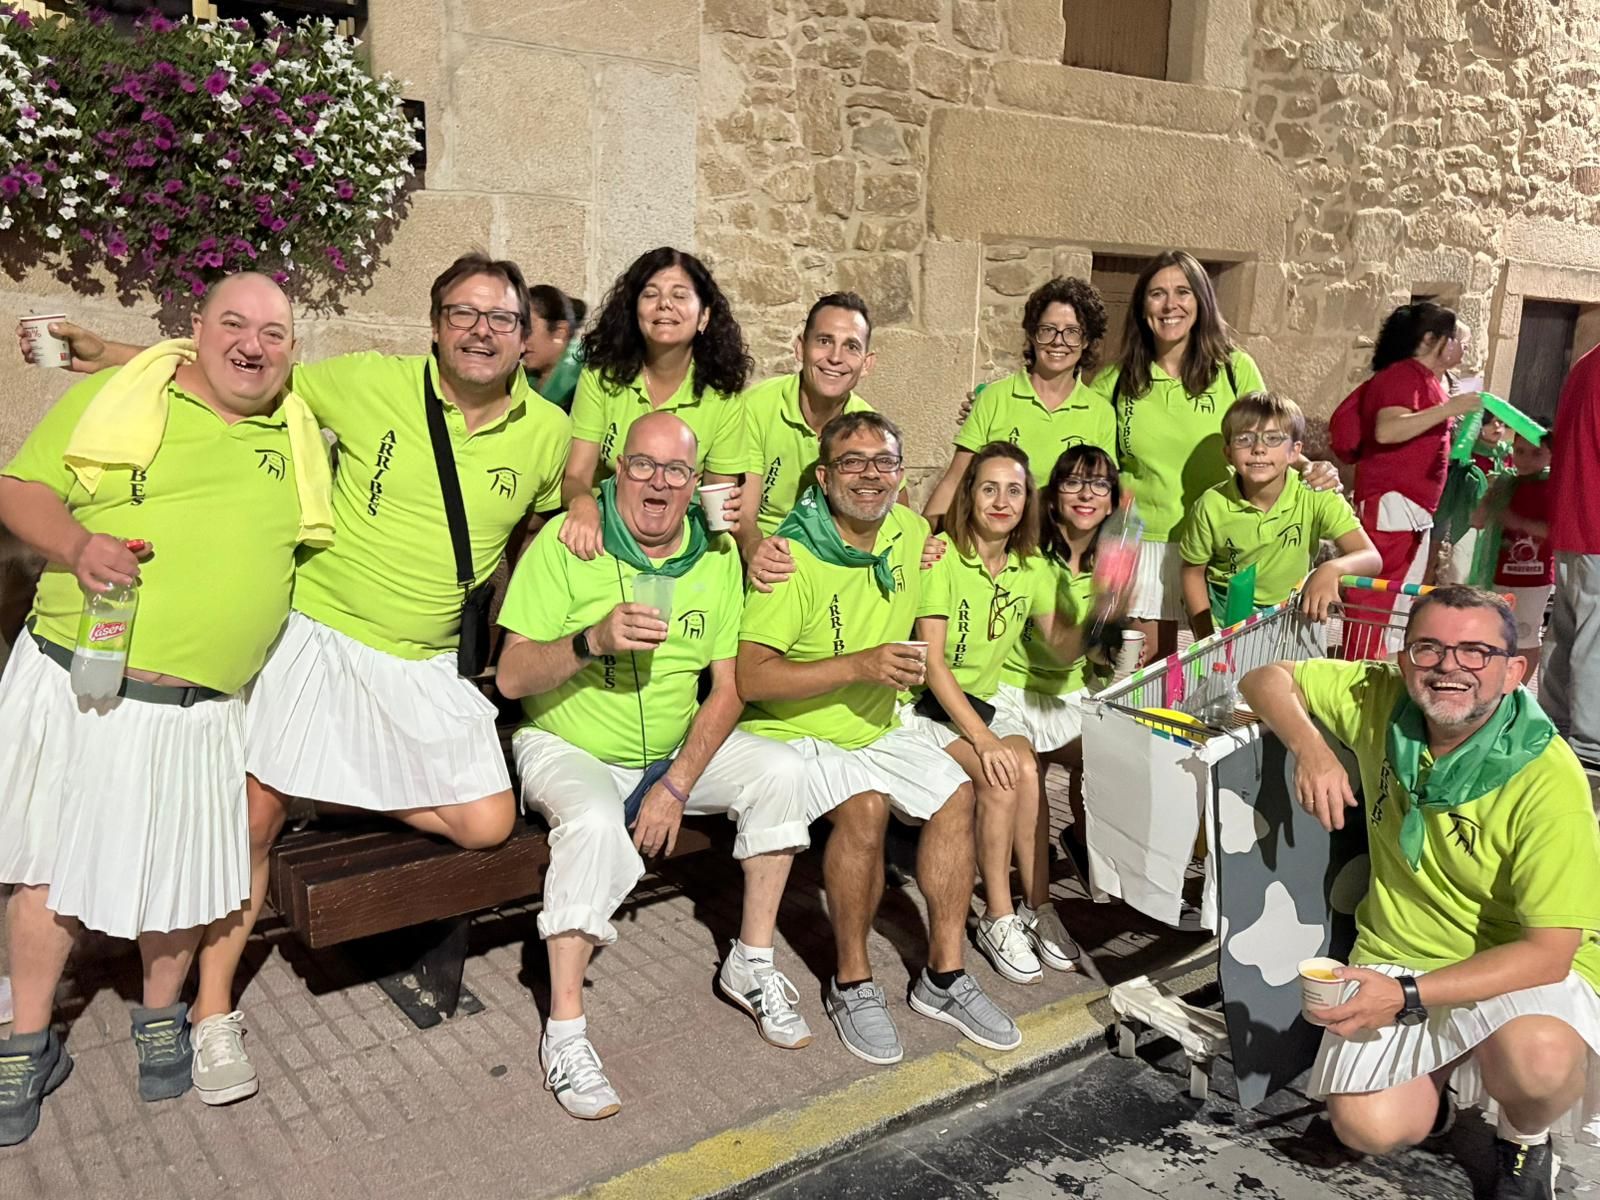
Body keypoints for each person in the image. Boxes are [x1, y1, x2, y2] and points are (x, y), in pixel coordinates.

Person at [42, 253, 573, 1105]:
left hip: (425, 657)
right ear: (435, 325)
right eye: (463, 313)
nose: (481, 329)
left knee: (486, 823)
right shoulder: (366, 382)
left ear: (526, 338)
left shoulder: (546, 433)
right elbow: (239, 368)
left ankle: (325, 783)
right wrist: (113, 353)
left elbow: (561, 502)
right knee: (253, 817)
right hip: (322, 633)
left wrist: (581, 507)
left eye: (500, 318)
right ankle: (213, 1013)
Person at [0, 273, 332, 1143]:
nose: (253, 345)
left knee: (179, 878)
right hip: (82, 684)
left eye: (275, 332)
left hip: (201, 707)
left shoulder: (291, 428)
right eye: (234, 323)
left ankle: (159, 1018)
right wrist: (78, 544)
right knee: (45, 872)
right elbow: (20, 488)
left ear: (293, 351)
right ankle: (27, 1043)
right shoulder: (128, 398)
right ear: (197, 330)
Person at [496, 412, 812, 1121]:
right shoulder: (569, 542)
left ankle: (751, 963)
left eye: (675, 471)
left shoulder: (715, 557)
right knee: (596, 825)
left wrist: (676, 785)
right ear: (617, 472)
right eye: (642, 465)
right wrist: (590, 640)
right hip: (568, 744)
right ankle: (566, 1032)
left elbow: (728, 688)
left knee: (782, 771)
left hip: (666, 755)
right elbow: (513, 678)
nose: (659, 484)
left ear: (695, 483)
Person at [1240, 586, 1600, 1199]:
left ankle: (1523, 1140)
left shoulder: (1548, 778)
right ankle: (1433, 1099)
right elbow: (1264, 677)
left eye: (1476, 652)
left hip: (1513, 966)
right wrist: (1313, 750)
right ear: (1404, 660)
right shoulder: (1380, 695)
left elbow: (1549, 953)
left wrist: (1405, 996)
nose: (1449, 666)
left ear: (1516, 671)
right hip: (1401, 945)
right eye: (1429, 647)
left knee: (1538, 1060)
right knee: (1368, 1128)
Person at [736, 411, 1021, 1065]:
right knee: (864, 809)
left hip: (876, 721)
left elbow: (930, 642)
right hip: (795, 729)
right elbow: (753, 677)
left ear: (901, 472)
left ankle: (944, 977)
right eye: (853, 462)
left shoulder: (912, 531)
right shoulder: (791, 554)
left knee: (956, 794)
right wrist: (860, 665)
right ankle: (851, 981)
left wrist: (978, 735)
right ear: (823, 475)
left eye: (885, 462)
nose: (870, 475)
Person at [907, 442, 1106, 984]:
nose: (1001, 500)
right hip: (928, 706)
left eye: (1014, 490)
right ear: (969, 494)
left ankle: (1034, 908)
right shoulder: (942, 555)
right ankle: (997, 914)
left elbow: (1060, 646)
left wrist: (1109, 602)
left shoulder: (1029, 567)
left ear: (1028, 502)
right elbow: (932, 666)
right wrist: (982, 738)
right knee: (1001, 772)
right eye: (988, 487)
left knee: (1023, 770)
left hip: (983, 704)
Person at [1082, 250, 1338, 663]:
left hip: (1222, 542)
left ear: (1201, 301)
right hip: (1142, 543)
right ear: (1141, 306)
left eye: (1183, 292)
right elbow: (1070, 437)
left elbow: (1269, 439)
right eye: (1157, 294)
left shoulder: (1234, 369)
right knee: (1139, 672)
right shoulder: (1114, 382)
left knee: (1226, 663)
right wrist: (990, 410)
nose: (1170, 305)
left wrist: (1313, 469)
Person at [560, 247, 753, 560]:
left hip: (679, 538)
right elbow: (576, 477)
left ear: (704, 316)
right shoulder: (600, 377)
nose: (665, 304)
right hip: (602, 532)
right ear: (634, 311)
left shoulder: (723, 397)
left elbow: (717, 504)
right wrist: (582, 504)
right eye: (651, 294)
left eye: (680, 295)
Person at [995, 444, 1119, 880]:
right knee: (1030, 785)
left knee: (1111, 756)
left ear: (1112, 500)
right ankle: (1031, 891)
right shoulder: (1033, 558)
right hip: (1013, 692)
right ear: (1053, 497)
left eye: (1099, 484)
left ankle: (1082, 843)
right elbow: (1061, 647)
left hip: (1068, 694)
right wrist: (1110, 594)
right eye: (1073, 483)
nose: (1086, 494)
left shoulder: (1106, 559)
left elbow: (1102, 653)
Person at [1336, 302, 1483, 659]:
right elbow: (1388, 430)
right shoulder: (1403, 376)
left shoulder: (1425, 379)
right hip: (1391, 500)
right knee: (1374, 596)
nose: (1463, 347)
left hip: (1409, 505)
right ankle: (1359, 671)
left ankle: (1375, 666)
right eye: (1455, 339)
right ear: (1431, 339)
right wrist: (1450, 409)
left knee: (1395, 597)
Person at [1178, 392, 1379, 640]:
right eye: (1244, 439)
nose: (1259, 448)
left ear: (1295, 452)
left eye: (1273, 439)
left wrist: (1330, 569)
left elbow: (1371, 558)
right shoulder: (1210, 505)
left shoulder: (1316, 494)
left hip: (1295, 619)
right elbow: (1192, 572)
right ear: (1228, 453)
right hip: (1228, 624)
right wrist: (1206, 637)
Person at [924, 277, 1115, 526]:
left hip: (1059, 552)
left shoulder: (1101, 412)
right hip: (993, 547)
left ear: (1086, 341)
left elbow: (1102, 496)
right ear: (1033, 335)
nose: (1058, 341)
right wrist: (924, 537)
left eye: (1072, 332)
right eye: (1048, 330)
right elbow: (954, 480)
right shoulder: (993, 398)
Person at [742, 291, 878, 545]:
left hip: (835, 555)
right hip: (763, 550)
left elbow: (895, 511)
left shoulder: (871, 428)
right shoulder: (755, 407)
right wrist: (755, 550)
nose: (835, 358)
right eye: (825, 341)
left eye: (851, 346)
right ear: (800, 348)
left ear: (867, 363)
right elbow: (743, 517)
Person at [1541, 344, 1600, 773]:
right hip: (1595, 526)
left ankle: (1553, 731)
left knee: (1567, 632)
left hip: (1574, 520)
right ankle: (1591, 748)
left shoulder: (1587, 362)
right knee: (1593, 641)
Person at [1470, 430, 1554, 681]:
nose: (1526, 459)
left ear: (1552, 455)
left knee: (1526, 633)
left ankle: (1519, 689)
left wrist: (1517, 522)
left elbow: (1555, 531)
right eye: (1519, 451)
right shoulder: (1505, 484)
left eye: (1536, 453)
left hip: (1534, 577)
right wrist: (1488, 498)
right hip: (1497, 572)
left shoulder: (1554, 487)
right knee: (1494, 630)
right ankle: (1494, 683)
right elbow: (1477, 521)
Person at [523, 284, 585, 412]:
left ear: (560, 332)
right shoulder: (520, 381)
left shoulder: (585, 384)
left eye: (528, 328)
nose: (521, 338)